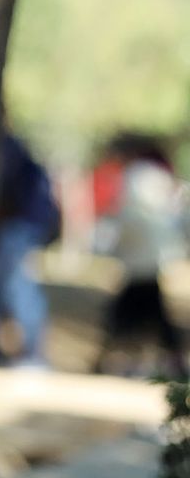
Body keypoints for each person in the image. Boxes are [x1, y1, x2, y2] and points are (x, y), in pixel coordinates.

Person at [94, 133, 188, 378]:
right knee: (148, 310)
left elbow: (127, 215)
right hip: (153, 253)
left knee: (129, 311)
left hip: (141, 254)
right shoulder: (159, 176)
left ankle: (109, 359)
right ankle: (169, 361)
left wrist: (111, 243)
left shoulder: (135, 176)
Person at [0, 134, 60, 368]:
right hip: (18, 226)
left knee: (18, 287)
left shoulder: (1, 146)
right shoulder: (6, 146)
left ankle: (32, 355)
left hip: (17, 226)